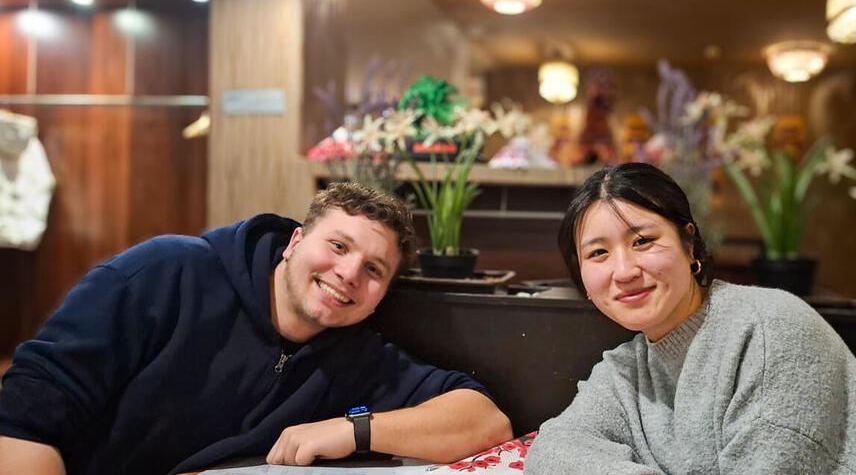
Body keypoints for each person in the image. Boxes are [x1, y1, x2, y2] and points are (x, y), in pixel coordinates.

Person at [0, 183, 512, 475]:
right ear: (293, 242)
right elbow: (22, 422)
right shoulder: (162, 273)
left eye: (374, 270)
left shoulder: (356, 353)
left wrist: (353, 429)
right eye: (338, 246)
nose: (350, 273)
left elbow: (485, 422)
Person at [525, 163, 856, 474]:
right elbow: (554, 448)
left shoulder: (770, 328)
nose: (623, 271)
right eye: (598, 253)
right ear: (584, 280)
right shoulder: (627, 369)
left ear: (689, 245)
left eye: (642, 241)